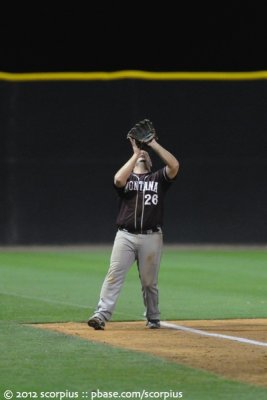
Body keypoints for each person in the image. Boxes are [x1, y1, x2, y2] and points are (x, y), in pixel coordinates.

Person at [87, 134, 179, 330]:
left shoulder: (158, 179)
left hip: (151, 236)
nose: (142, 156)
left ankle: (153, 316)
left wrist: (153, 144)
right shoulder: (127, 180)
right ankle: (101, 315)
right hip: (125, 236)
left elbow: (174, 166)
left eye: (146, 156)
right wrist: (136, 153)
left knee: (148, 282)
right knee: (114, 275)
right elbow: (118, 179)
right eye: (139, 156)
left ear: (151, 162)